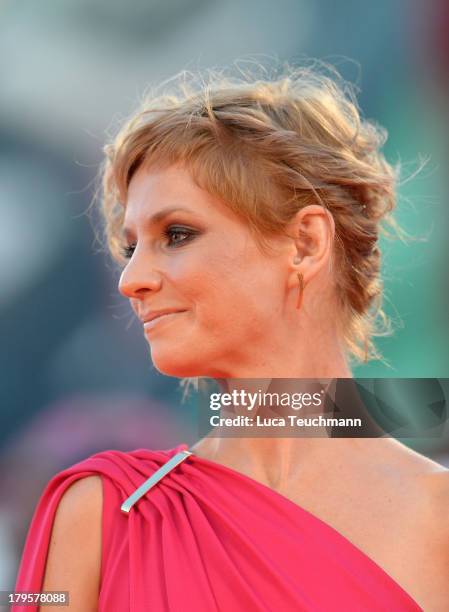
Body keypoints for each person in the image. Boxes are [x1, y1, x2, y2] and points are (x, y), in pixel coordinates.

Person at [13, 62, 449, 611]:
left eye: (176, 234)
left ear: (307, 244)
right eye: (131, 247)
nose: (131, 280)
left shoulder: (440, 521)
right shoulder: (100, 510)